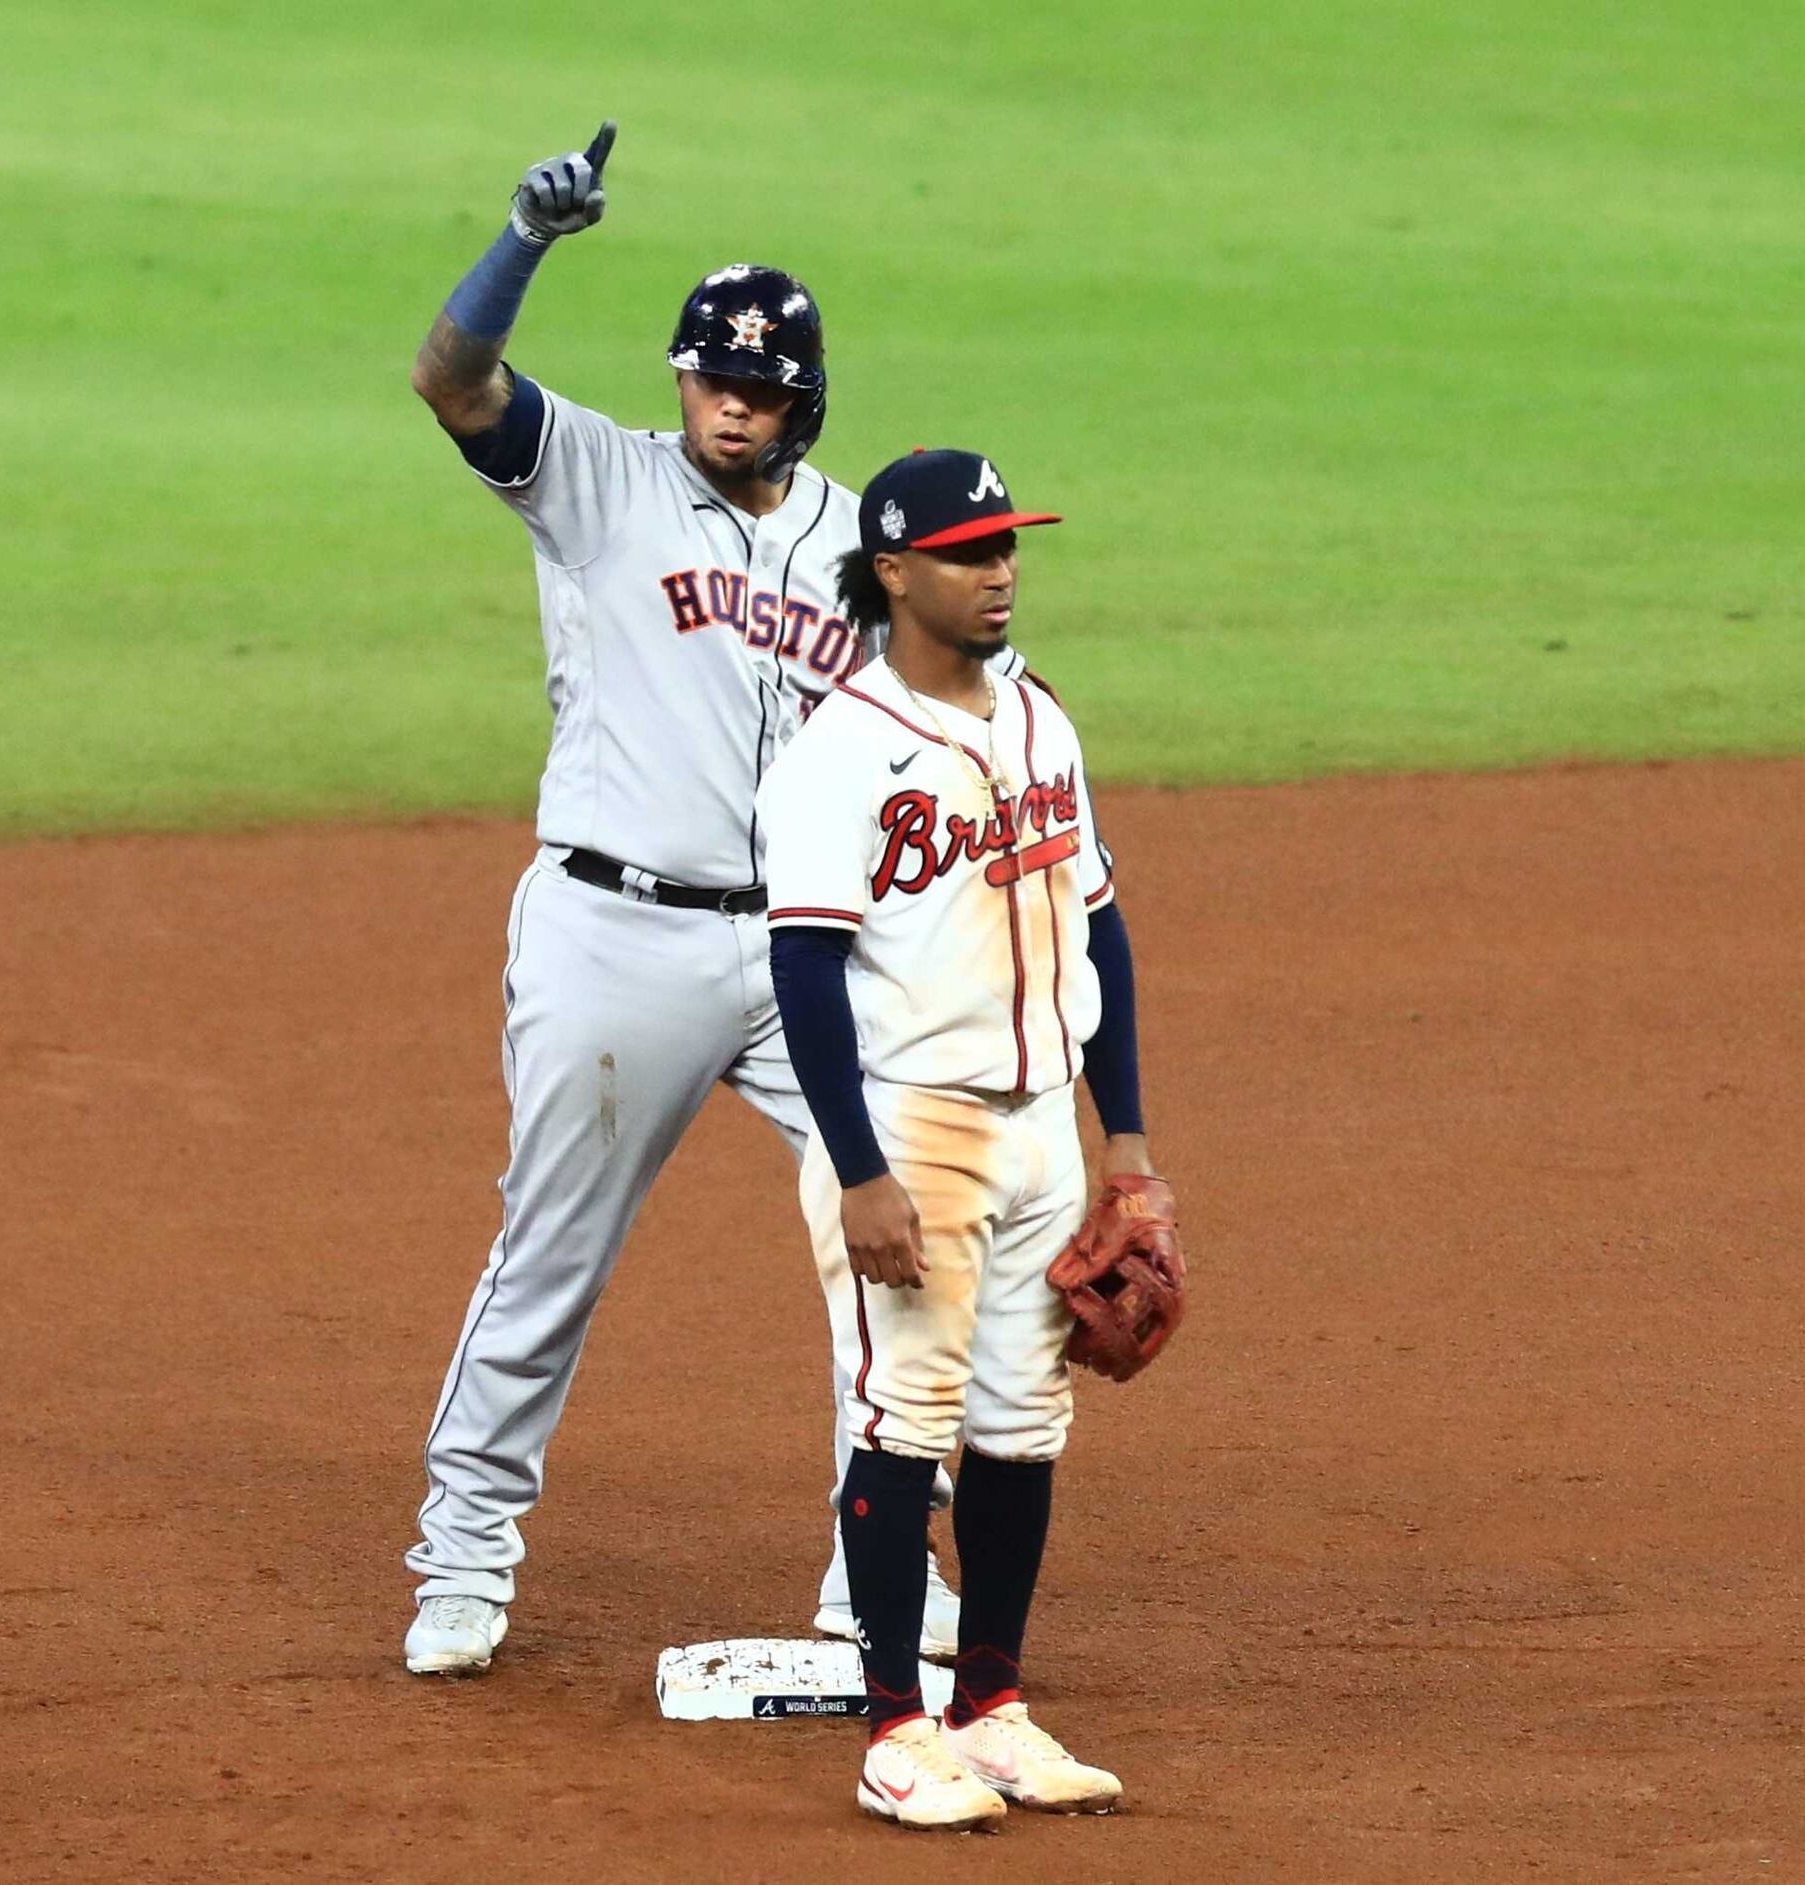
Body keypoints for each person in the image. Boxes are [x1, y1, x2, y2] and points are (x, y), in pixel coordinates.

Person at [401, 124, 999, 1675]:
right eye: (710, 379)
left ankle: (879, 1558)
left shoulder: (860, 541)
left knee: (911, 1221)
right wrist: (523, 242)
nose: (732, 405)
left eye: (761, 388)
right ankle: (462, 1554)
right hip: (616, 934)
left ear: (806, 400)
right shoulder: (594, 476)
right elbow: (453, 382)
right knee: (552, 1252)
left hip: (801, 948)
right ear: (680, 381)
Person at [755, 448, 1154, 1829]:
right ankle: (893, 1727)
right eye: (971, 549)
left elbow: (1096, 921)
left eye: (1008, 546)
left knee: (1023, 1427)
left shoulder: (1042, 718)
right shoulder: (840, 752)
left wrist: (1130, 1140)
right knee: (905, 1419)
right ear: (894, 571)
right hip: (915, 1126)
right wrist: (857, 1166)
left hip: (1047, 1120)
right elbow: (805, 970)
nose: (1000, 570)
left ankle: (992, 1706)